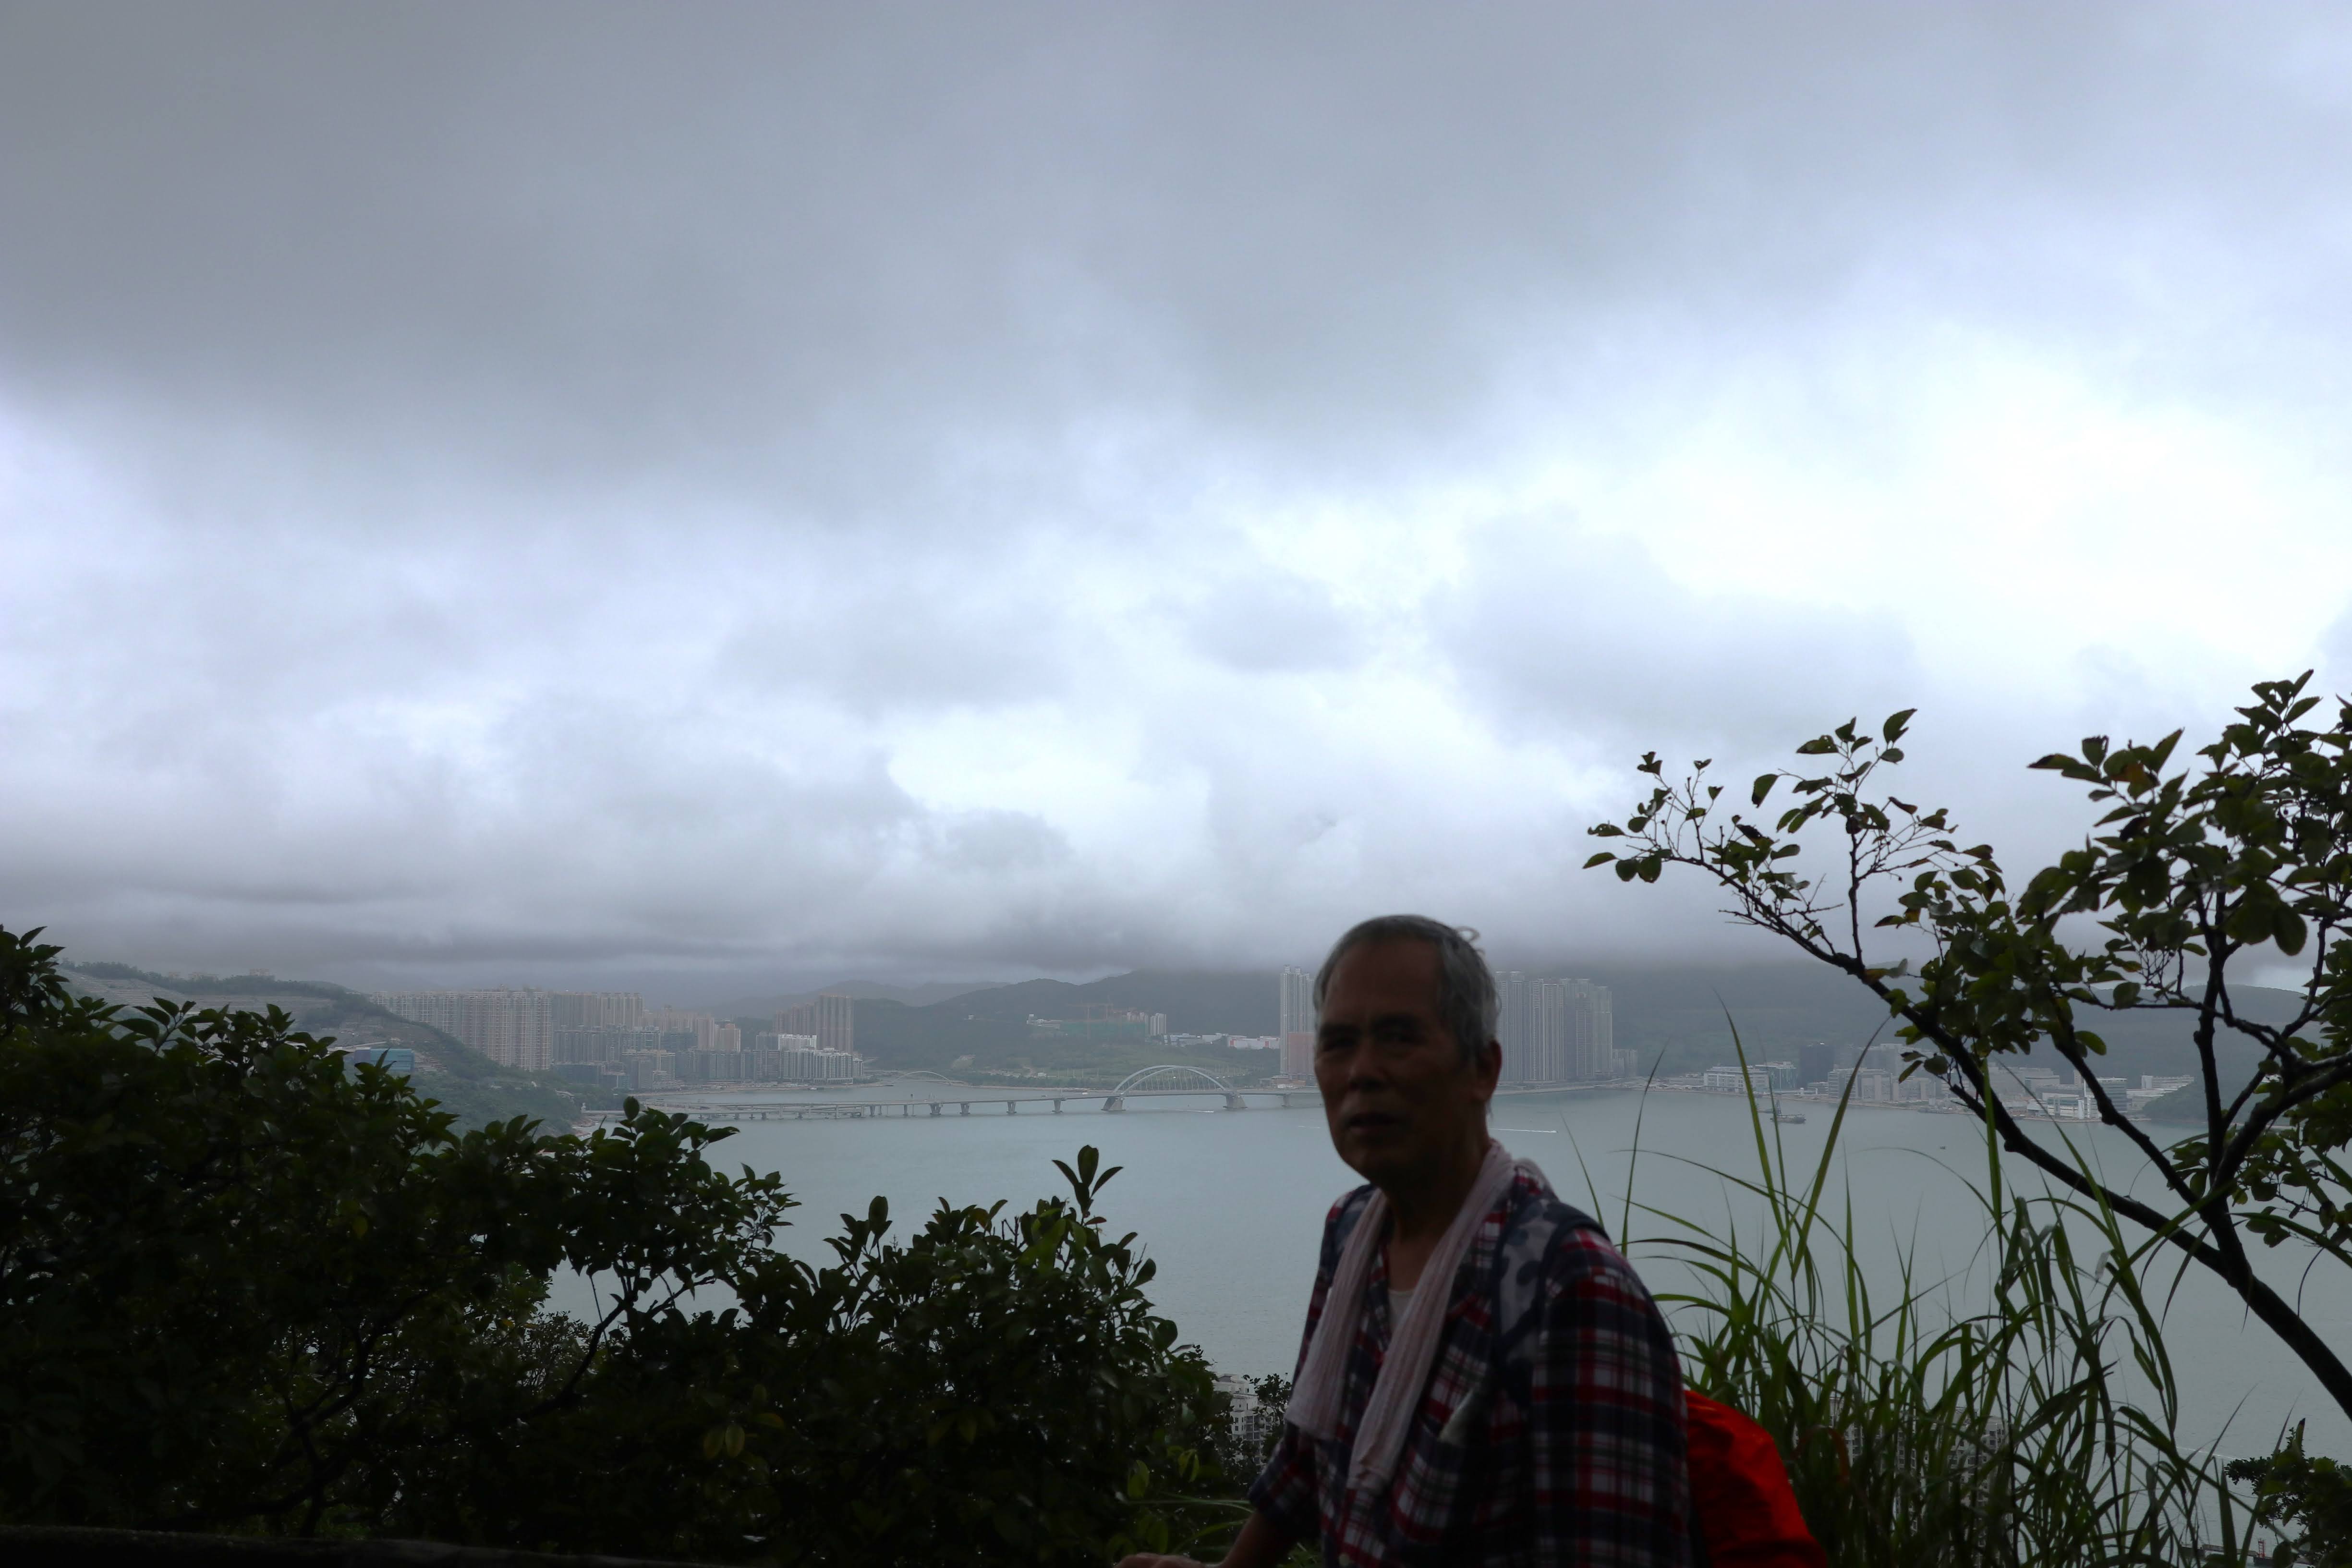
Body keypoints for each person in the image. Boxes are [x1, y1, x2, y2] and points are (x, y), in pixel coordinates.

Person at [1119, 915, 1693, 1568]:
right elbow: (1309, 1452)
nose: (1362, 1071)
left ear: (1482, 1068)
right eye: (1338, 1043)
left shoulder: (1574, 1293)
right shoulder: (1352, 1230)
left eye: (1399, 1038)